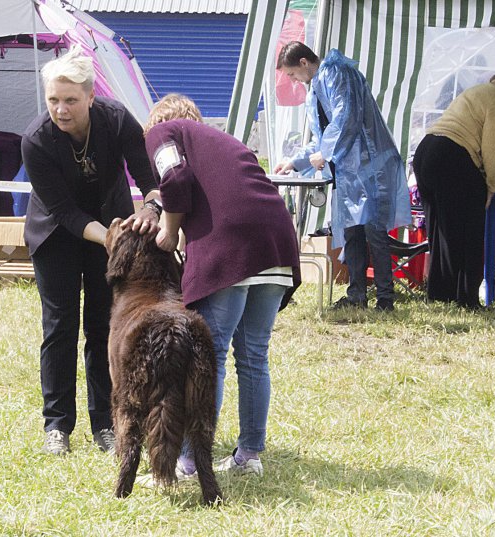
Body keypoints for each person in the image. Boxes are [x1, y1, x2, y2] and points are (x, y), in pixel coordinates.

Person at [125, 94, 300, 479]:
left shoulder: (161, 133)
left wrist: (169, 232)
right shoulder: (226, 143)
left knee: (210, 355)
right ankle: (249, 455)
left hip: (234, 249)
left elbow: (174, 179)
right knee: (254, 355)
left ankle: (190, 460)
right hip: (277, 242)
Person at [21, 47, 160, 456]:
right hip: (57, 236)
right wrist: (109, 237)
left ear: (90, 97)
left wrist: (151, 210)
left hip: (111, 231)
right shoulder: (36, 140)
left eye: (70, 100)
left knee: (102, 328)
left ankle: (106, 424)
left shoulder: (117, 120)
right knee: (60, 328)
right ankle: (57, 425)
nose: (60, 110)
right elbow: (62, 210)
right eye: (53, 100)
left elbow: (147, 175)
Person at [273, 41, 410, 312]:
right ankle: (357, 294)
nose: (294, 81)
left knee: (375, 233)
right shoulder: (317, 88)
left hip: (368, 166)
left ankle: (385, 298)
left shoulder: (336, 73)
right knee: (352, 233)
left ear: (303, 63)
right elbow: (324, 135)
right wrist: (295, 161)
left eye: (291, 74)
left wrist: (325, 153)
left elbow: (345, 118)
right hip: (349, 172)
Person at [412, 61, 495, 309]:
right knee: (469, 234)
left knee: (441, 231)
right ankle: (465, 299)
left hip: (427, 152)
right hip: (454, 157)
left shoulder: (482, 90)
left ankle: (440, 294)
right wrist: (493, 187)